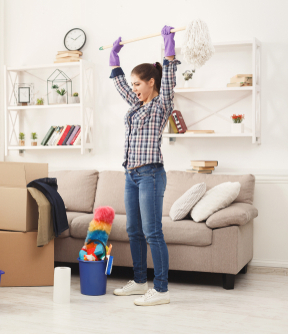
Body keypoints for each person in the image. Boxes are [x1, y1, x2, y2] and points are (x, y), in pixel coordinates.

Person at [109, 26, 180, 306]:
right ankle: (140, 282)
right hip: (131, 174)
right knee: (134, 231)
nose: (134, 88)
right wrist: (114, 60)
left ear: (151, 82)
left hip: (151, 174)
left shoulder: (161, 104)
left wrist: (168, 50)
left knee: (153, 232)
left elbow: (170, 79)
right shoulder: (136, 105)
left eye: (138, 83)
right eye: (134, 84)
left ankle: (161, 290)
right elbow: (121, 86)